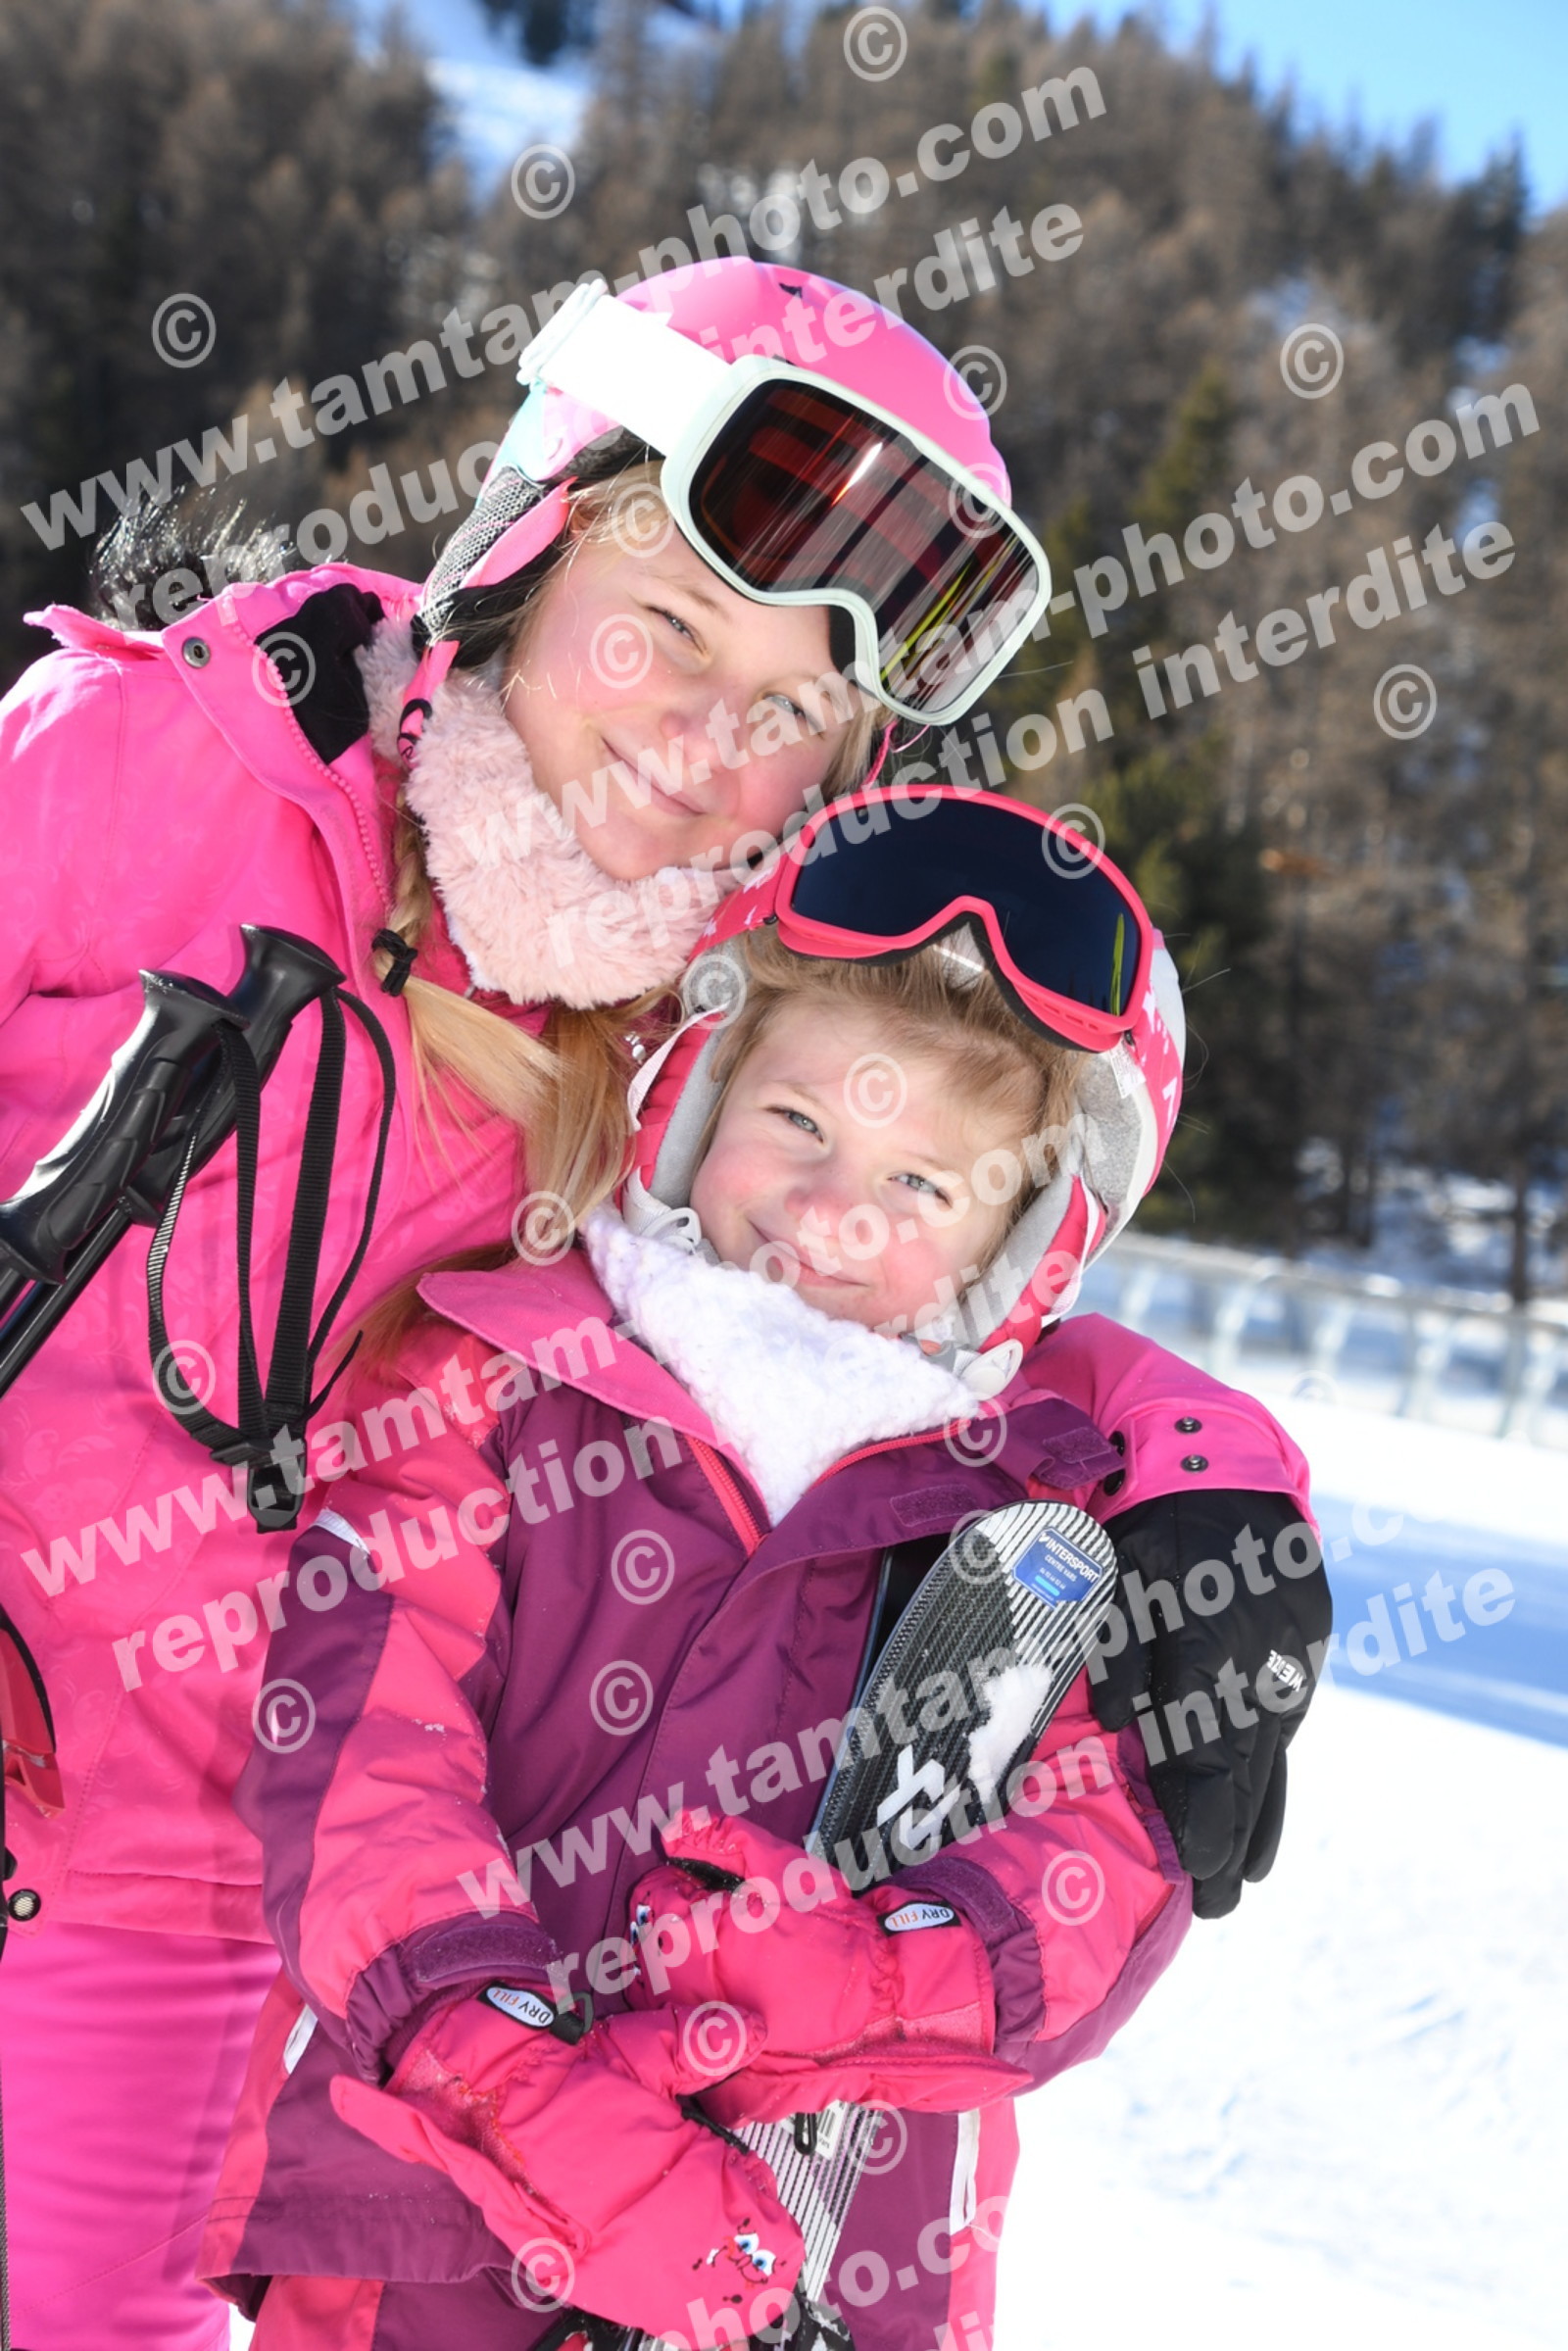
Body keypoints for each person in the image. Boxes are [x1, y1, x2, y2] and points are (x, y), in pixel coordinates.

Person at [0, 258, 1056, 2348]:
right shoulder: (175, 763)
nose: (705, 743)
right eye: (671, 630)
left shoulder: (696, 1070)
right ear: (523, 547)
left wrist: (1201, 1469)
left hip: (174, 1891)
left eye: (790, 714)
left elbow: (922, 1272)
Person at [199, 789, 1323, 2349]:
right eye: (798, 1121)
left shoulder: (1044, 1520)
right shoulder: (489, 1387)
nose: (834, 1210)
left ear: (1021, 1248)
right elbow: (360, 1764)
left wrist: (871, 1982)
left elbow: (1108, 1866)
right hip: (422, 2242)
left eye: (927, 1185)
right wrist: (515, 2087)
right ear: (696, 1087)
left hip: (834, 2267)